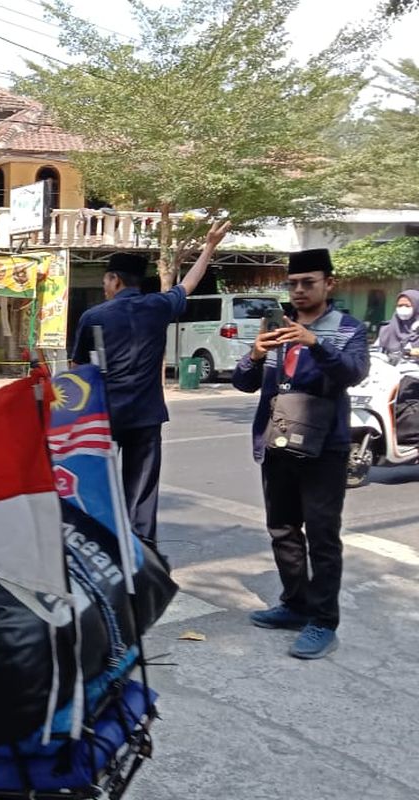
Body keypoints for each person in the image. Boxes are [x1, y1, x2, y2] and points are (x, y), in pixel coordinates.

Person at [233, 248, 369, 660]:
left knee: (323, 536)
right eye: (292, 284)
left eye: (307, 283)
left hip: (325, 448)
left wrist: (315, 344)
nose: (298, 291)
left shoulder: (347, 329)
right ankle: (295, 604)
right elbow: (244, 383)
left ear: (329, 284)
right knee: (283, 530)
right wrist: (255, 354)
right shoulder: (277, 328)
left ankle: (324, 621)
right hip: (277, 443)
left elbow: (353, 372)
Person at [71, 220, 230, 551]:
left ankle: (100, 548)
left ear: (115, 280)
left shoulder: (93, 317)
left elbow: (77, 372)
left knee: (97, 484)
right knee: (141, 493)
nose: (104, 287)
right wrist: (210, 246)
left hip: (104, 419)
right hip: (145, 417)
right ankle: (141, 553)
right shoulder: (158, 306)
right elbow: (187, 284)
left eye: (105, 281)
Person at [374, 289, 419, 359]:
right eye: (400, 305)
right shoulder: (387, 330)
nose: (403, 308)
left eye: (407, 306)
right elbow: (376, 352)